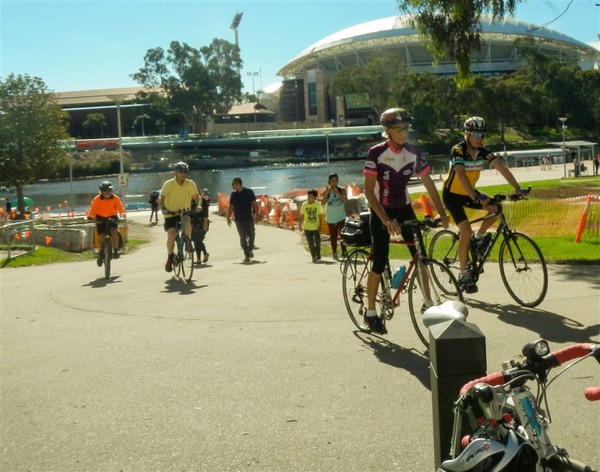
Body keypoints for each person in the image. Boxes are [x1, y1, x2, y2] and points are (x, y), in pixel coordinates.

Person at [363, 108, 449, 334]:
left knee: (420, 256)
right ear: (388, 131)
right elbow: (369, 192)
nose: (404, 132)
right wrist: (385, 219)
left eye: (406, 128)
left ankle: (428, 304)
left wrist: (441, 212)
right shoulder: (376, 153)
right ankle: (370, 312)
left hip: (404, 207)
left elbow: (429, 183)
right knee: (379, 262)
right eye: (399, 129)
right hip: (381, 209)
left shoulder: (413, 152)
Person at [442, 116, 528, 294]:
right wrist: (475, 196)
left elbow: (502, 168)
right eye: (475, 134)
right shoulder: (458, 150)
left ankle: (479, 238)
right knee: (465, 231)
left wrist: (517, 188)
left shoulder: (483, 151)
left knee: (496, 209)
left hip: (470, 194)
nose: (479, 138)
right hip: (452, 196)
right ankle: (464, 274)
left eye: (482, 135)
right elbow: (461, 175)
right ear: (467, 134)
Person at [159, 162, 200, 272]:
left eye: (185, 172)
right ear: (175, 172)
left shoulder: (190, 183)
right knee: (171, 235)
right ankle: (170, 256)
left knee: (187, 220)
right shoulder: (168, 184)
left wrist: (198, 205)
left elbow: (196, 196)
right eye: (180, 172)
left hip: (184, 211)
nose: (183, 174)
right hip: (170, 213)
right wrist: (163, 208)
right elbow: (161, 198)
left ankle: (187, 242)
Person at [89, 180, 125, 266]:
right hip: (100, 217)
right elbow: (93, 211)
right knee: (101, 235)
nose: (107, 192)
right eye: (105, 191)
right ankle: (101, 251)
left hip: (112, 217)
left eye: (109, 190)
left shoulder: (116, 198)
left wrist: (122, 216)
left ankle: (115, 250)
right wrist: (92, 218)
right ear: (101, 191)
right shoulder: (96, 199)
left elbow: (121, 209)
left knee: (114, 231)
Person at [227, 177, 259, 262]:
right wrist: (228, 217)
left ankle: (250, 249)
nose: (232, 186)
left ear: (238, 184)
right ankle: (247, 254)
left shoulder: (249, 192)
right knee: (242, 237)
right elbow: (231, 207)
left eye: (233, 184)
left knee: (252, 234)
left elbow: (254, 204)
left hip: (248, 218)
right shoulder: (233, 194)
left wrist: (257, 214)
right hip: (238, 219)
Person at [321, 173, 348, 260]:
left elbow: (345, 200)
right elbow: (322, 202)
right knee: (333, 236)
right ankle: (334, 252)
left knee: (343, 234)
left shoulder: (342, 189)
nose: (335, 182)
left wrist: (338, 194)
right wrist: (327, 192)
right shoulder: (326, 191)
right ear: (329, 182)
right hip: (331, 217)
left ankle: (344, 251)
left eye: (336, 180)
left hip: (341, 216)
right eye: (333, 180)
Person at [299, 189, 324, 262]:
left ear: (315, 197)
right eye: (308, 195)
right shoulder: (304, 204)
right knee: (310, 243)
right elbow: (302, 215)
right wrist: (300, 224)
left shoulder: (318, 205)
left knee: (317, 241)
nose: (308, 197)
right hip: (307, 227)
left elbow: (320, 216)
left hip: (316, 227)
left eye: (310, 196)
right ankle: (313, 256)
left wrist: (320, 226)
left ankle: (318, 253)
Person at [191, 188, 210, 264]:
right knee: (195, 241)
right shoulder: (191, 201)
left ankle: (205, 253)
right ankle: (198, 259)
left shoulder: (202, 201)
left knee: (198, 240)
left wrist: (205, 223)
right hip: (193, 223)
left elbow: (205, 213)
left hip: (201, 222)